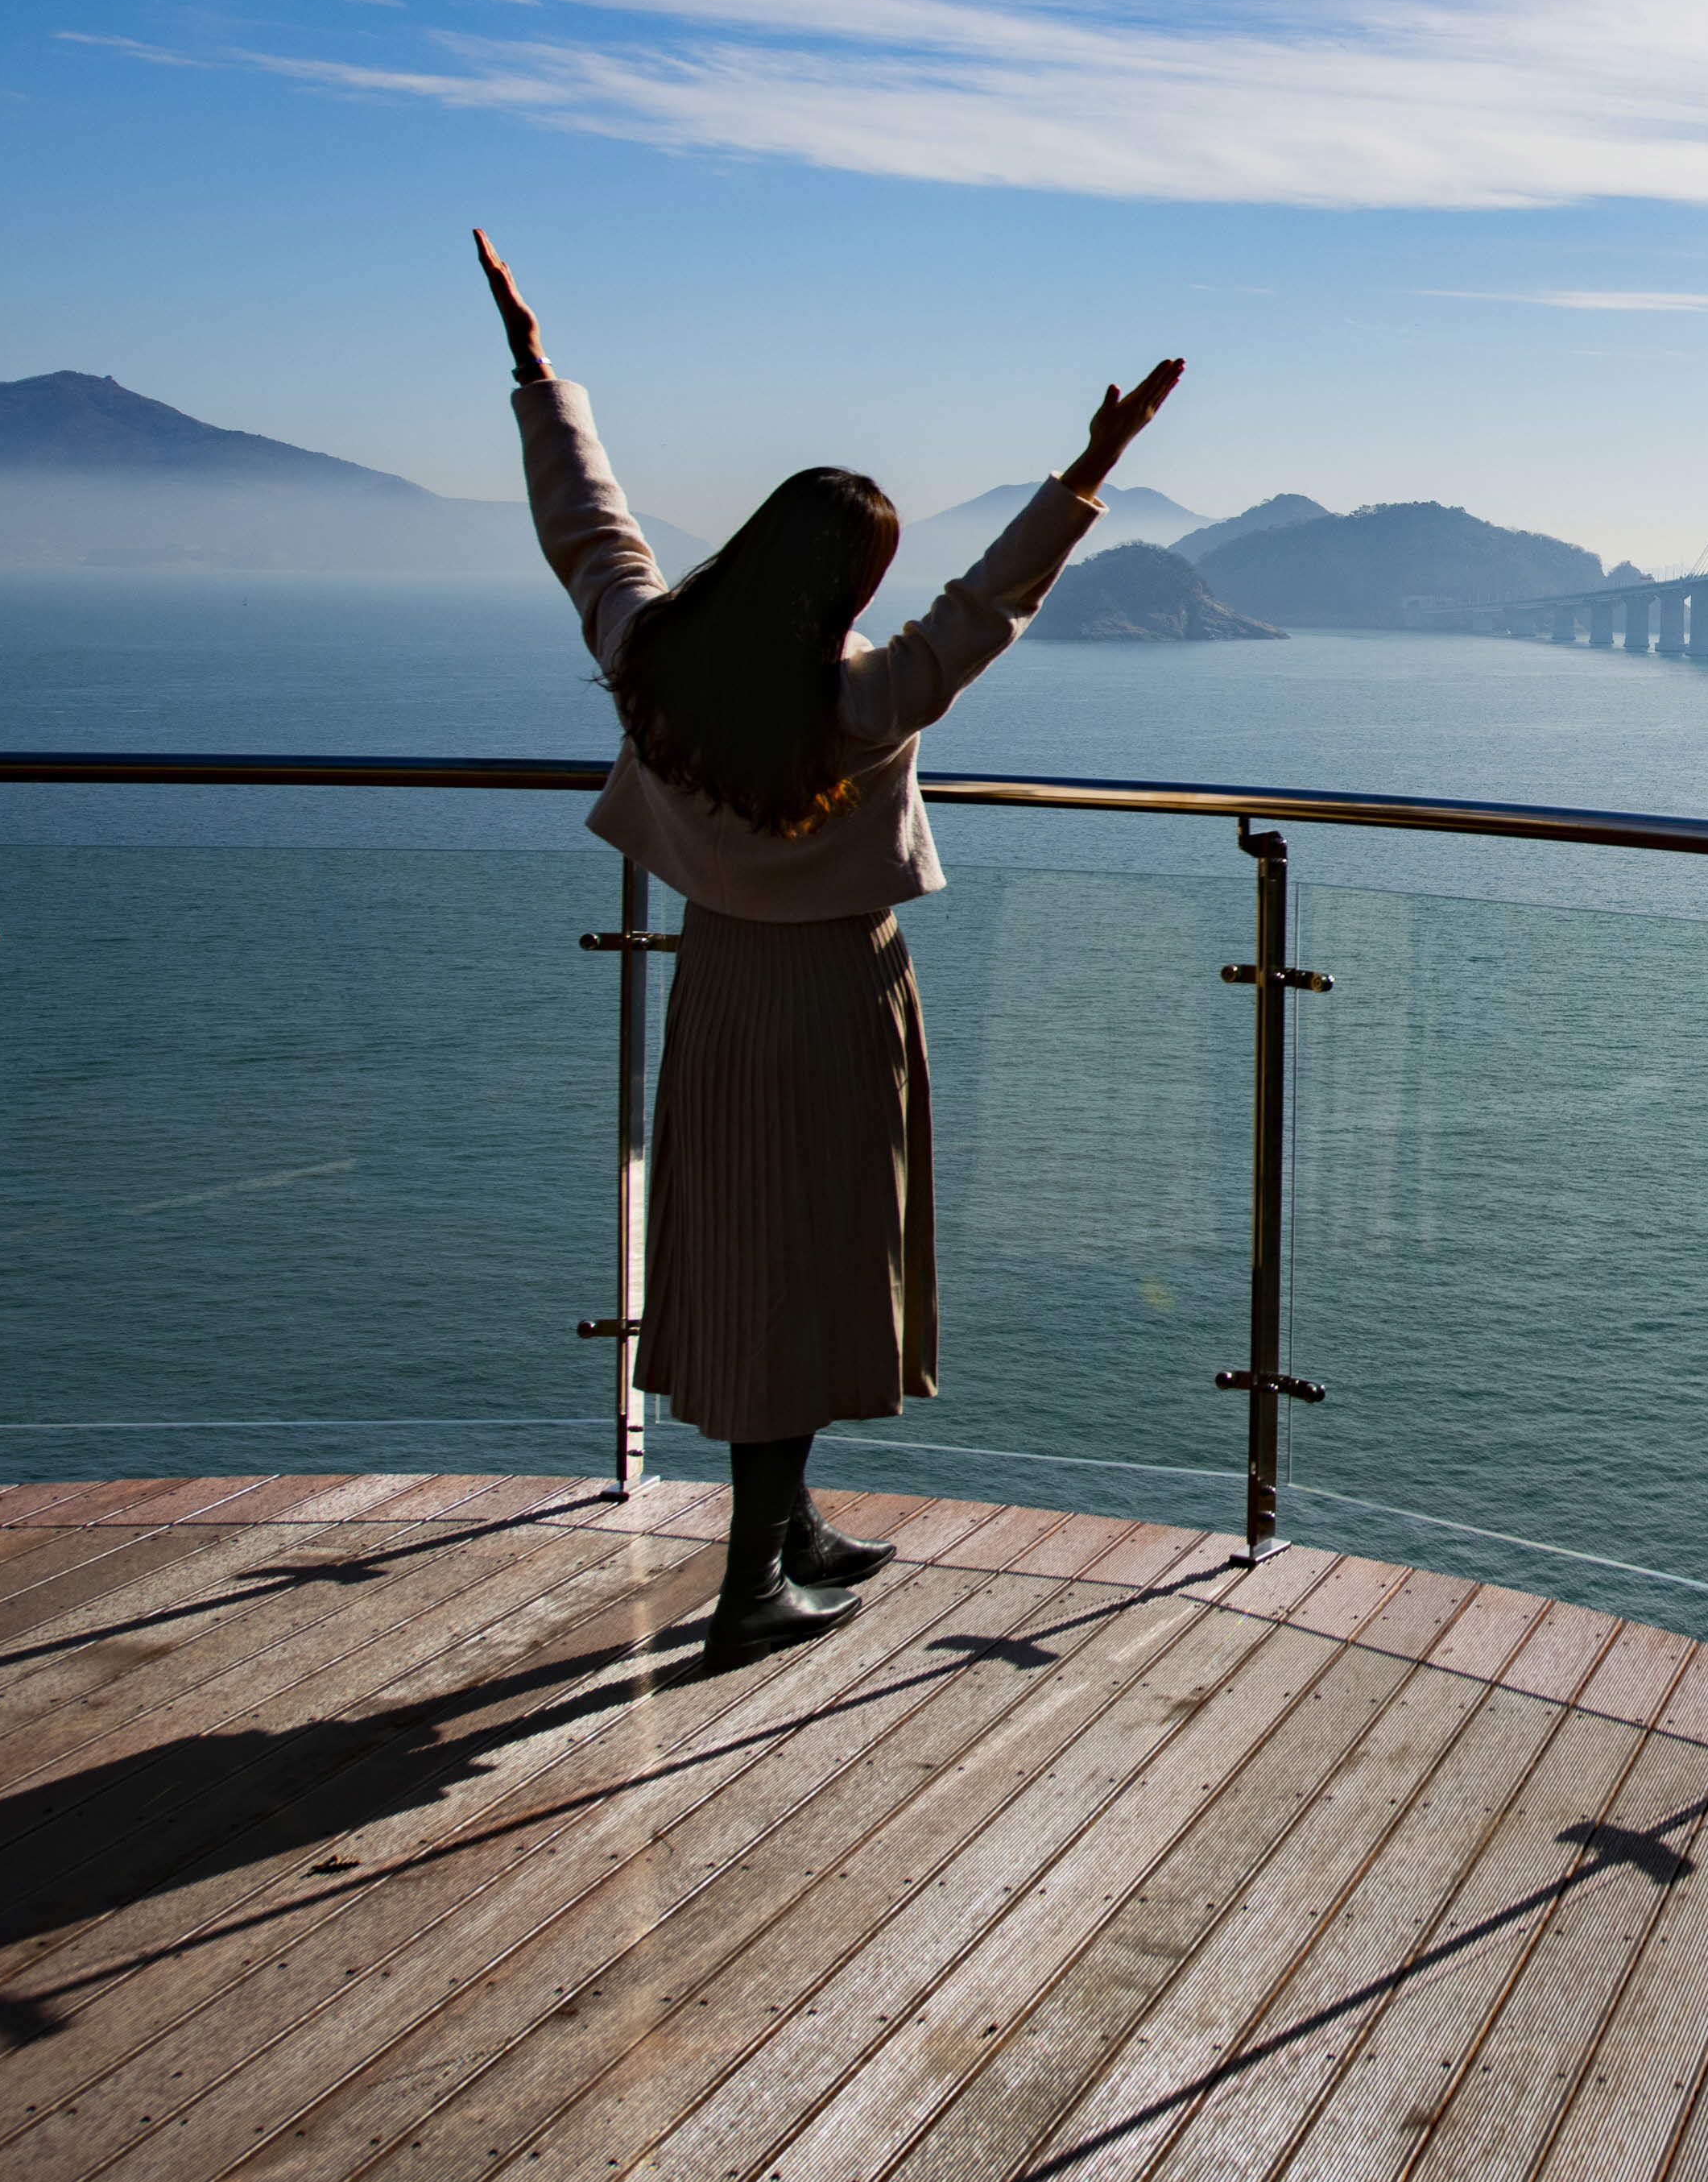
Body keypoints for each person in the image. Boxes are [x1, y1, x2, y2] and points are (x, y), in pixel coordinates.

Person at [476, 230, 1181, 1667]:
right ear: (845, 584)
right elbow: (991, 604)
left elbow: (590, 533)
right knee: (802, 1275)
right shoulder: (870, 702)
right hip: (843, 995)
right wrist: (1090, 465)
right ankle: (748, 1586)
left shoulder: (654, 662)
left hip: (724, 986)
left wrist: (540, 375)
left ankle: (785, 1527)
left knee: (753, 1258)